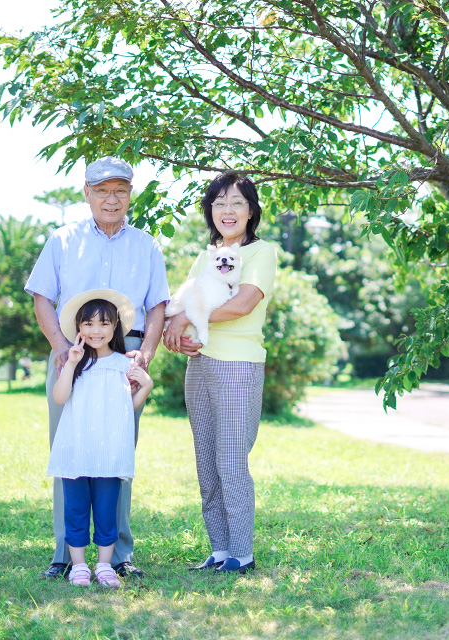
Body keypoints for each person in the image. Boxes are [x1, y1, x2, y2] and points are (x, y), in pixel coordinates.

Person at [25, 156, 170, 580]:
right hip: (72, 359)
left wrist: (146, 353)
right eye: (102, 190)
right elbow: (41, 298)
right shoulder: (62, 239)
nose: (112, 199)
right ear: (86, 193)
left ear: (130, 194)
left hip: (123, 361)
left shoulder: (146, 244)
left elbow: (158, 306)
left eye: (120, 190)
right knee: (68, 452)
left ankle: (119, 555)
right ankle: (65, 555)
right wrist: (59, 347)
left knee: (118, 453)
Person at [163, 171, 278, 574]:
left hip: (238, 366)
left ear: (251, 210)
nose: (227, 211)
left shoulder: (261, 253)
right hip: (200, 365)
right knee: (206, 462)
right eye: (219, 203)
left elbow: (242, 304)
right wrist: (172, 328)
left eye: (237, 202)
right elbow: (181, 303)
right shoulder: (205, 255)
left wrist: (186, 322)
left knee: (230, 460)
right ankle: (219, 549)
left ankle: (242, 554)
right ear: (210, 211)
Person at [48, 290, 153, 587]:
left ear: (115, 326)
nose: (96, 331)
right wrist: (70, 363)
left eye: (104, 324)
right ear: (79, 329)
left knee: (107, 511)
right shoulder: (75, 362)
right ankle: (79, 565)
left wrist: (146, 386)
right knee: (76, 510)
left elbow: (125, 407)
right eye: (89, 324)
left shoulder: (124, 364)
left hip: (109, 452)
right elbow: (60, 397)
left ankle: (104, 565)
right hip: (77, 450)